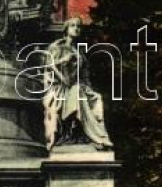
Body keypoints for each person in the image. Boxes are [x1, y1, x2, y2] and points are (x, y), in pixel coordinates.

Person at [44, 18, 113, 151]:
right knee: (77, 94)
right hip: (61, 87)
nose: (76, 28)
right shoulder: (58, 47)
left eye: (78, 26)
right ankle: (72, 133)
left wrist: (89, 89)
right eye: (73, 26)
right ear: (66, 29)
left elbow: (85, 76)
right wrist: (64, 62)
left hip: (77, 87)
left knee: (95, 97)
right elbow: (49, 66)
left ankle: (89, 135)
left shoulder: (80, 53)